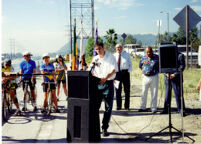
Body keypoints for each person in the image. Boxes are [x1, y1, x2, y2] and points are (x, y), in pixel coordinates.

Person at [89, 42, 117, 137]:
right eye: (96, 49)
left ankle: (104, 127)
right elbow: (90, 70)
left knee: (108, 107)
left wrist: (105, 78)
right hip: (97, 84)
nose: (98, 51)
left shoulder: (111, 57)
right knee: (95, 107)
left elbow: (114, 69)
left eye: (99, 48)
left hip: (108, 83)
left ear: (103, 48)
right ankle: (95, 128)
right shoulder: (95, 59)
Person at [138, 47, 159, 113]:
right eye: (147, 52)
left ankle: (153, 108)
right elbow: (140, 65)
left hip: (154, 76)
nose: (148, 53)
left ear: (152, 51)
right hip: (145, 77)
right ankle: (142, 107)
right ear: (145, 52)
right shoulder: (143, 57)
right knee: (144, 92)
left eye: (150, 52)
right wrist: (144, 71)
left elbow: (159, 66)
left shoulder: (157, 57)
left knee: (154, 92)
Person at [113, 44, 132, 110]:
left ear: (122, 48)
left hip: (125, 73)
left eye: (120, 47)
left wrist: (128, 71)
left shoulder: (127, 55)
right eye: (117, 47)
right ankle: (118, 106)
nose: (119, 49)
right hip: (117, 74)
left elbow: (130, 64)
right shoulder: (113, 55)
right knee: (117, 90)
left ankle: (126, 106)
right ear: (115, 48)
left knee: (127, 90)